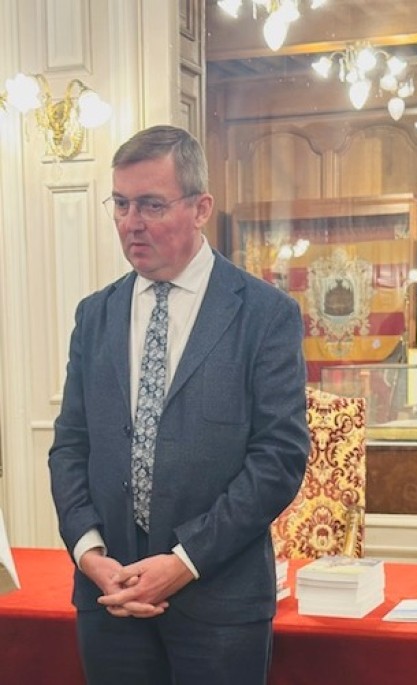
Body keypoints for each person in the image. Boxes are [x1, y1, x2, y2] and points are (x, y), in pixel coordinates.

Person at [48, 125, 310, 685]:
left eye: (151, 205)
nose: (131, 222)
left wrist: (185, 560)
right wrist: (90, 553)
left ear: (201, 208)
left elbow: (279, 458)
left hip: (219, 603)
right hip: (109, 598)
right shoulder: (95, 315)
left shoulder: (264, 314)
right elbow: (71, 445)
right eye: (120, 204)